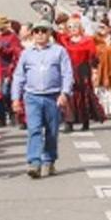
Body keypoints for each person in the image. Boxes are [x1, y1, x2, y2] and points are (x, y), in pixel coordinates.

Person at [11, 21, 73, 178]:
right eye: (36, 31)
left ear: (49, 33)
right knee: (34, 129)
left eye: (43, 31)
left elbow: (67, 74)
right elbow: (19, 76)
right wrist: (15, 98)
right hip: (32, 96)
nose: (39, 34)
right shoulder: (27, 53)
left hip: (53, 96)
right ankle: (34, 162)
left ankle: (49, 160)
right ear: (32, 34)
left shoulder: (59, 51)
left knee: (52, 131)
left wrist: (64, 93)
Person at [56, 18, 103, 132]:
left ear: (80, 28)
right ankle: (69, 122)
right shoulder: (65, 40)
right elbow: (54, 34)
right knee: (69, 95)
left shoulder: (87, 41)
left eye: (75, 27)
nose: (72, 29)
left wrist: (94, 72)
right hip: (68, 70)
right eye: (70, 27)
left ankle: (85, 120)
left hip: (83, 70)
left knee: (83, 96)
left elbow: (93, 58)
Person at [0, 15, 22, 127]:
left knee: (6, 92)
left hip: (7, 68)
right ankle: (2, 118)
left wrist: (2, 49)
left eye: (2, 28)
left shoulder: (12, 37)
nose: (0, 30)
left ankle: (11, 113)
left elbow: (16, 51)